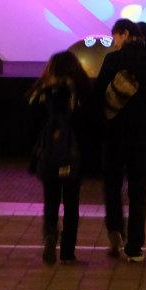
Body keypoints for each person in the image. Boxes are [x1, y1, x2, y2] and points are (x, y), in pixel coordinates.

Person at [96, 17, 146, 263]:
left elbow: (98, 95)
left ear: (125, 33)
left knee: (112, 185)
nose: (114, 43)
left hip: (114, 133)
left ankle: (115, 229)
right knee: (139, 190)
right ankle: (135, 246)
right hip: (142, 133)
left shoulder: (113, 60)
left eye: (115, 37)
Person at [27, 50, 92, 264]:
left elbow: (31, 119)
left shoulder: (43, 90)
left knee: (51, 200)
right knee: (72, 203)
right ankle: (67, 251)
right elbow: (89, 123)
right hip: (73, 156)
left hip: (49, 156)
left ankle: (49, 234)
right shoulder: (81, 90)